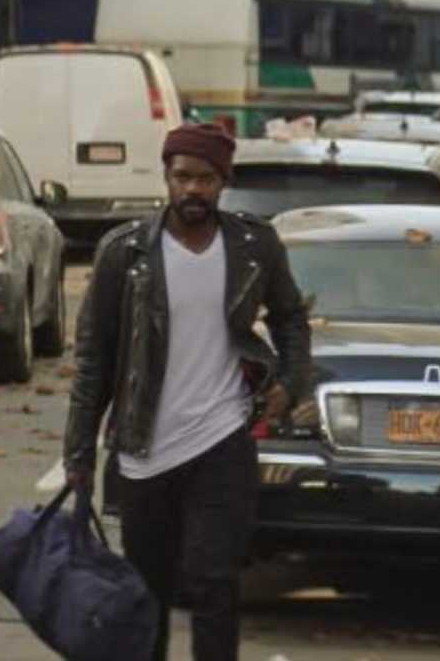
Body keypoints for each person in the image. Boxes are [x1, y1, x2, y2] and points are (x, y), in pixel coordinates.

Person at [62, 122, 311, 661]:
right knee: (148, 592)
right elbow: (94, 360)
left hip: (223, 441)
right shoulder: (123, 254)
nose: (192, 189)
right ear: (167, 178)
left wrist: (289, 385)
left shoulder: (254, 245)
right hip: (144, 449)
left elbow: (292, 319)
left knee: (213, 581)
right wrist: (79, 451)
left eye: (205, 179)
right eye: (182, 177)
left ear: (224, 181)